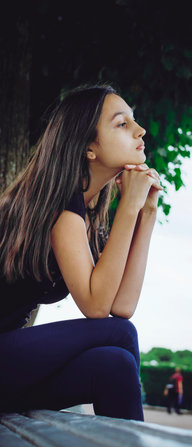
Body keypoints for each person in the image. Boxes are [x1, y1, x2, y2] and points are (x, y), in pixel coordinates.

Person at [0, 83, 162, 420]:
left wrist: (146, 214)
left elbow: (122, 305)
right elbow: (96, 306)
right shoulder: (58, 208)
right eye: (122, 124)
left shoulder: (87, 215)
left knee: (114, 365)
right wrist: (129, 207)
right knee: (120, 336)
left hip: (10, 363)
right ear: (90, 147)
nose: (140, 130)